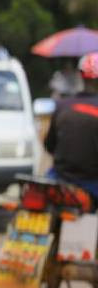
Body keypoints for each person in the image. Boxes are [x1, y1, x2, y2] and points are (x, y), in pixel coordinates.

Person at [44, 52, 98, 201]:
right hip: (92, 182)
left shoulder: (62, 105)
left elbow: (49, 146)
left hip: (60, 177)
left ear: (80, 75)